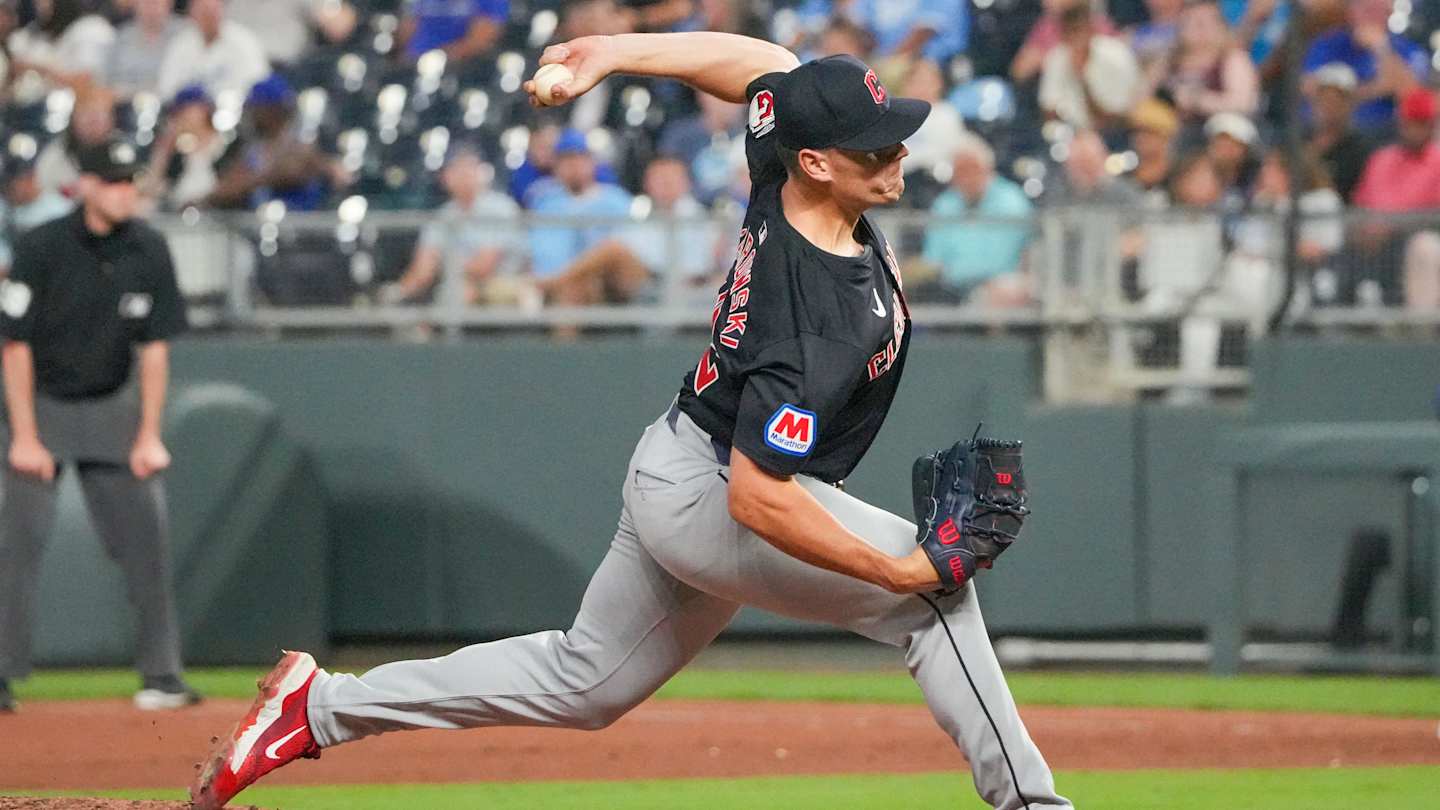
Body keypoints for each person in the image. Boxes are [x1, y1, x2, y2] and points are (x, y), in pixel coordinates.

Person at [188, 32, 1071, 810]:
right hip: (716, 493)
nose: (898, 152)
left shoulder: (786, 169)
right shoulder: (811, 323)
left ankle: (319, 708)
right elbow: (760, 504)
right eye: (874, 145)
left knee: (585, 683)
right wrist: (897, 566)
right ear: (816, 162)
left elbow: (763, 68)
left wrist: (611, 49)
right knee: (933, 600)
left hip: (682, 458)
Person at [0, 136, 195, 715]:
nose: (124, 191)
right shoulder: (40, 246)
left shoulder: (150, 248)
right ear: (83, 185)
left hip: (113, 406)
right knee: (15, 545)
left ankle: (162, 675)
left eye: (130, 181)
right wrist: (26, 435)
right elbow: (14, 346)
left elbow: (154, 349)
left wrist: (149, 432)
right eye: (111, 181)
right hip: (44, 405)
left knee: (147, 545)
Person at [380, 148, 522, 308]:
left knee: (461, 290)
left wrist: (443, 266)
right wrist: (398, 292)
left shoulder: (500, 207)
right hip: (455, 281)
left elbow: (484, 266)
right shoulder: (444, 215)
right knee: (403, 299)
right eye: (455, 170)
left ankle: (433, 327)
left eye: (467, 169)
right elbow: (423, 268)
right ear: (445, 177)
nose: (462, 177)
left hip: (505, 280)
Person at [919, 132, 1034, 305]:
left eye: (972, 169)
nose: (966, 178)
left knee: (1006, 289)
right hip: (949, 290)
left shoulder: (1011, 201)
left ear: (987, 169)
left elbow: (1000, 261)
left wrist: (955, 273)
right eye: (960, 171)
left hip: (999, 287)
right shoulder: (944, 204)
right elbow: (933, 260)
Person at [204, 75, 348, 212]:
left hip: (302, 227)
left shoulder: (301, 139)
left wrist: (250, 182)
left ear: (273, 109)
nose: (252, 113)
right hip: (261, 226)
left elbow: (291, 170)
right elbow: (228, 186)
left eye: (257, 107)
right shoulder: (255, 147)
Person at [1302, 0, 1428, 134]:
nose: (1370, 16)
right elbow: (1307, 86)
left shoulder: (1406, 50)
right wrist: (1377, 88)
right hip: (1326, 130)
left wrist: (1381, 48)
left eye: (1376, 10)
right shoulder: (1329, 43)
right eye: (1365, 9)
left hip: (1382, 133)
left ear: (1388, 12)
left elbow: (1413, 97)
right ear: (1351, 11)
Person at [1145, 0, 1259, 132]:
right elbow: (1142, 98)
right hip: (1172, 129)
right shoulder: (1169, 60)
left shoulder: (1233, 58)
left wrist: (1197, 100)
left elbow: (1243, 104)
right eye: (1194, 22)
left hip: (1218, 133)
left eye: (1207, 22)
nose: (1201, 29)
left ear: (1221, 25)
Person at [1038, 3, 1140, 131]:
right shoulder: (1057, 57)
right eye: (1068, 32)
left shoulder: (1117, 55)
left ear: (1091, 29)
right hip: (1072, 136)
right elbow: (1049, 111)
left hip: (1117, 133)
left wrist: (1082, 79)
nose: (1075, 39)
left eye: (1078, 30)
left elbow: (1115, 118)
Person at [155, 0, 269, 101]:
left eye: (212, 11)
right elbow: (167, 90)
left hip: (235, 112)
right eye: (203, 11)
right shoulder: (180, 45)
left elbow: (257, 84)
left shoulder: (243, 41)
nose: (208, 17)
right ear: (192, 12)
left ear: (222, 10)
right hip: (191, 116)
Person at [1305, 62, 1373, 203]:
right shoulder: (1302, 139)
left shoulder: (1359, 149)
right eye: (1324, 98)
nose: (1329, 106)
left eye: (1337, 99)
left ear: (1350, 103)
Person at [34, 85, 115, 198]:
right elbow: (44, 200)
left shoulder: (124, 150)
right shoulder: (55, 157)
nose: (93, 123)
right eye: (86, 115)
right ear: (73, 119)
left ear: (111, 119)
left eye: (100, 115)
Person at [0, 155, 75, 275]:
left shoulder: (60, 209)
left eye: (13, 184)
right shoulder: (5, 207)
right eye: (6, 185)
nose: (8, 189)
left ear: (30, 179)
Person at [106, 0, 183, 99]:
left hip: (172, 104)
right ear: (134, 4)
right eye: (146, 2)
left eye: (156, 2)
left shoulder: (184, 34)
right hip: (125, 105)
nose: (151, 7)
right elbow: (109, 84)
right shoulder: (121, 37)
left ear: (169, 3)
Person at [400, 0, 507, 64]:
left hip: (460, 68)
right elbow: (408, 29)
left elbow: (481, 39)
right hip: (415, 63)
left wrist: (440, 58)